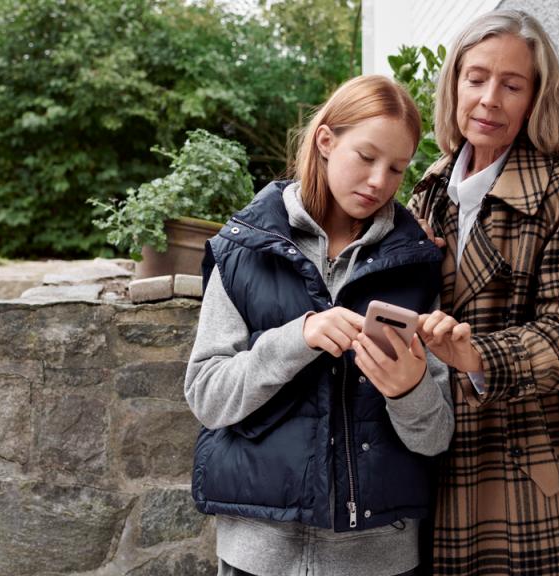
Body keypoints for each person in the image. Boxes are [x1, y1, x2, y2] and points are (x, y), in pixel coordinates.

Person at [185, 75, 453, 576]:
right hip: (257, 556)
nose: (379, 181)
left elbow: (434, 436)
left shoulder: (416, 265)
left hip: (376, 558)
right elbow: (206, 395)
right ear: (326, 141)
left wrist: (409, 389)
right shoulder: (243, 249)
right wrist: (296, 338)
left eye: (397, 168)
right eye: (366, 157)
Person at [408, 10, 559, 575]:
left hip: (525, 466)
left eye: (511, 85)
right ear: (454, 82)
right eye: (476, 78)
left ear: (535, 100)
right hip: (434, 454)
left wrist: (475, 354)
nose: (488, 99)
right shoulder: (430, 189)